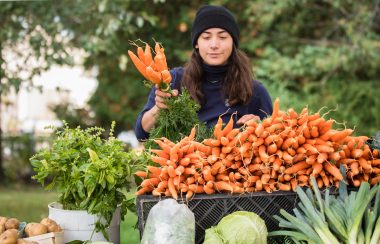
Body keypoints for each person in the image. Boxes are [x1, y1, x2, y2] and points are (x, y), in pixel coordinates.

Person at [135, 5, 273, 141]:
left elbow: (273, 140)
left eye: (223, 37)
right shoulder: (172, 81)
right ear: (196, 43)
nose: (214, 44)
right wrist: (158, 108)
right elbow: (142, 134)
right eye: (206, 37)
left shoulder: (255, 91)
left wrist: (261, 127)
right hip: (179, 162)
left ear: (233, 43)